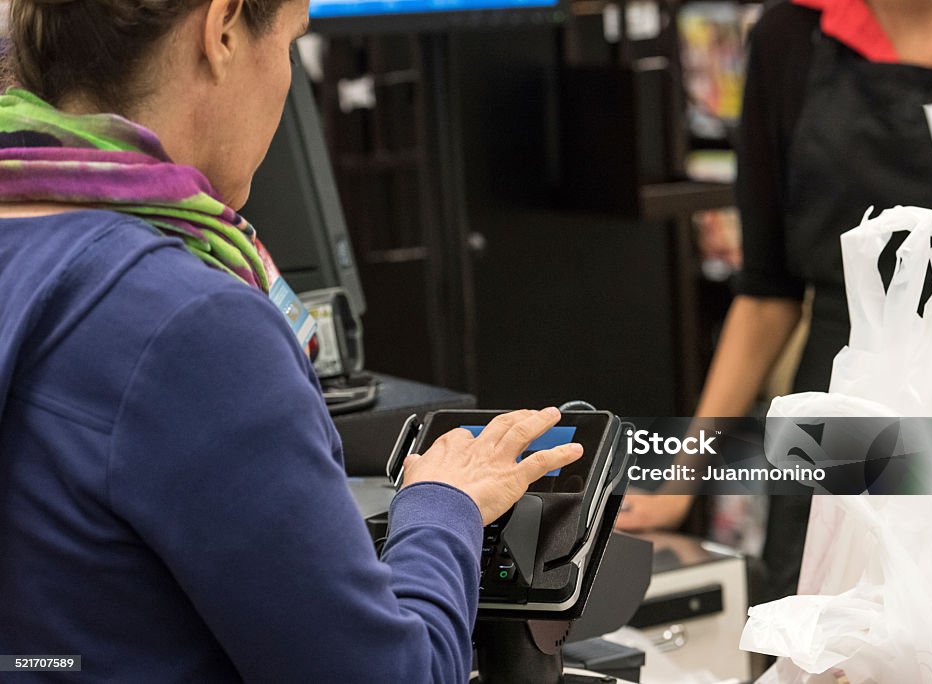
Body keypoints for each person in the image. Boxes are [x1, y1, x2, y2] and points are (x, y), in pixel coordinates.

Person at [0, 0, 584, 681]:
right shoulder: (192, 325)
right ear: (221, 29)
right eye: (290, 43)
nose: (286, 78)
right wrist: (442, 506)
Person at [617, 0, 932, 602]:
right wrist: (682, 480)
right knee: (818, 634)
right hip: (838, 417)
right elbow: (766, 294)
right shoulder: (792, 35)